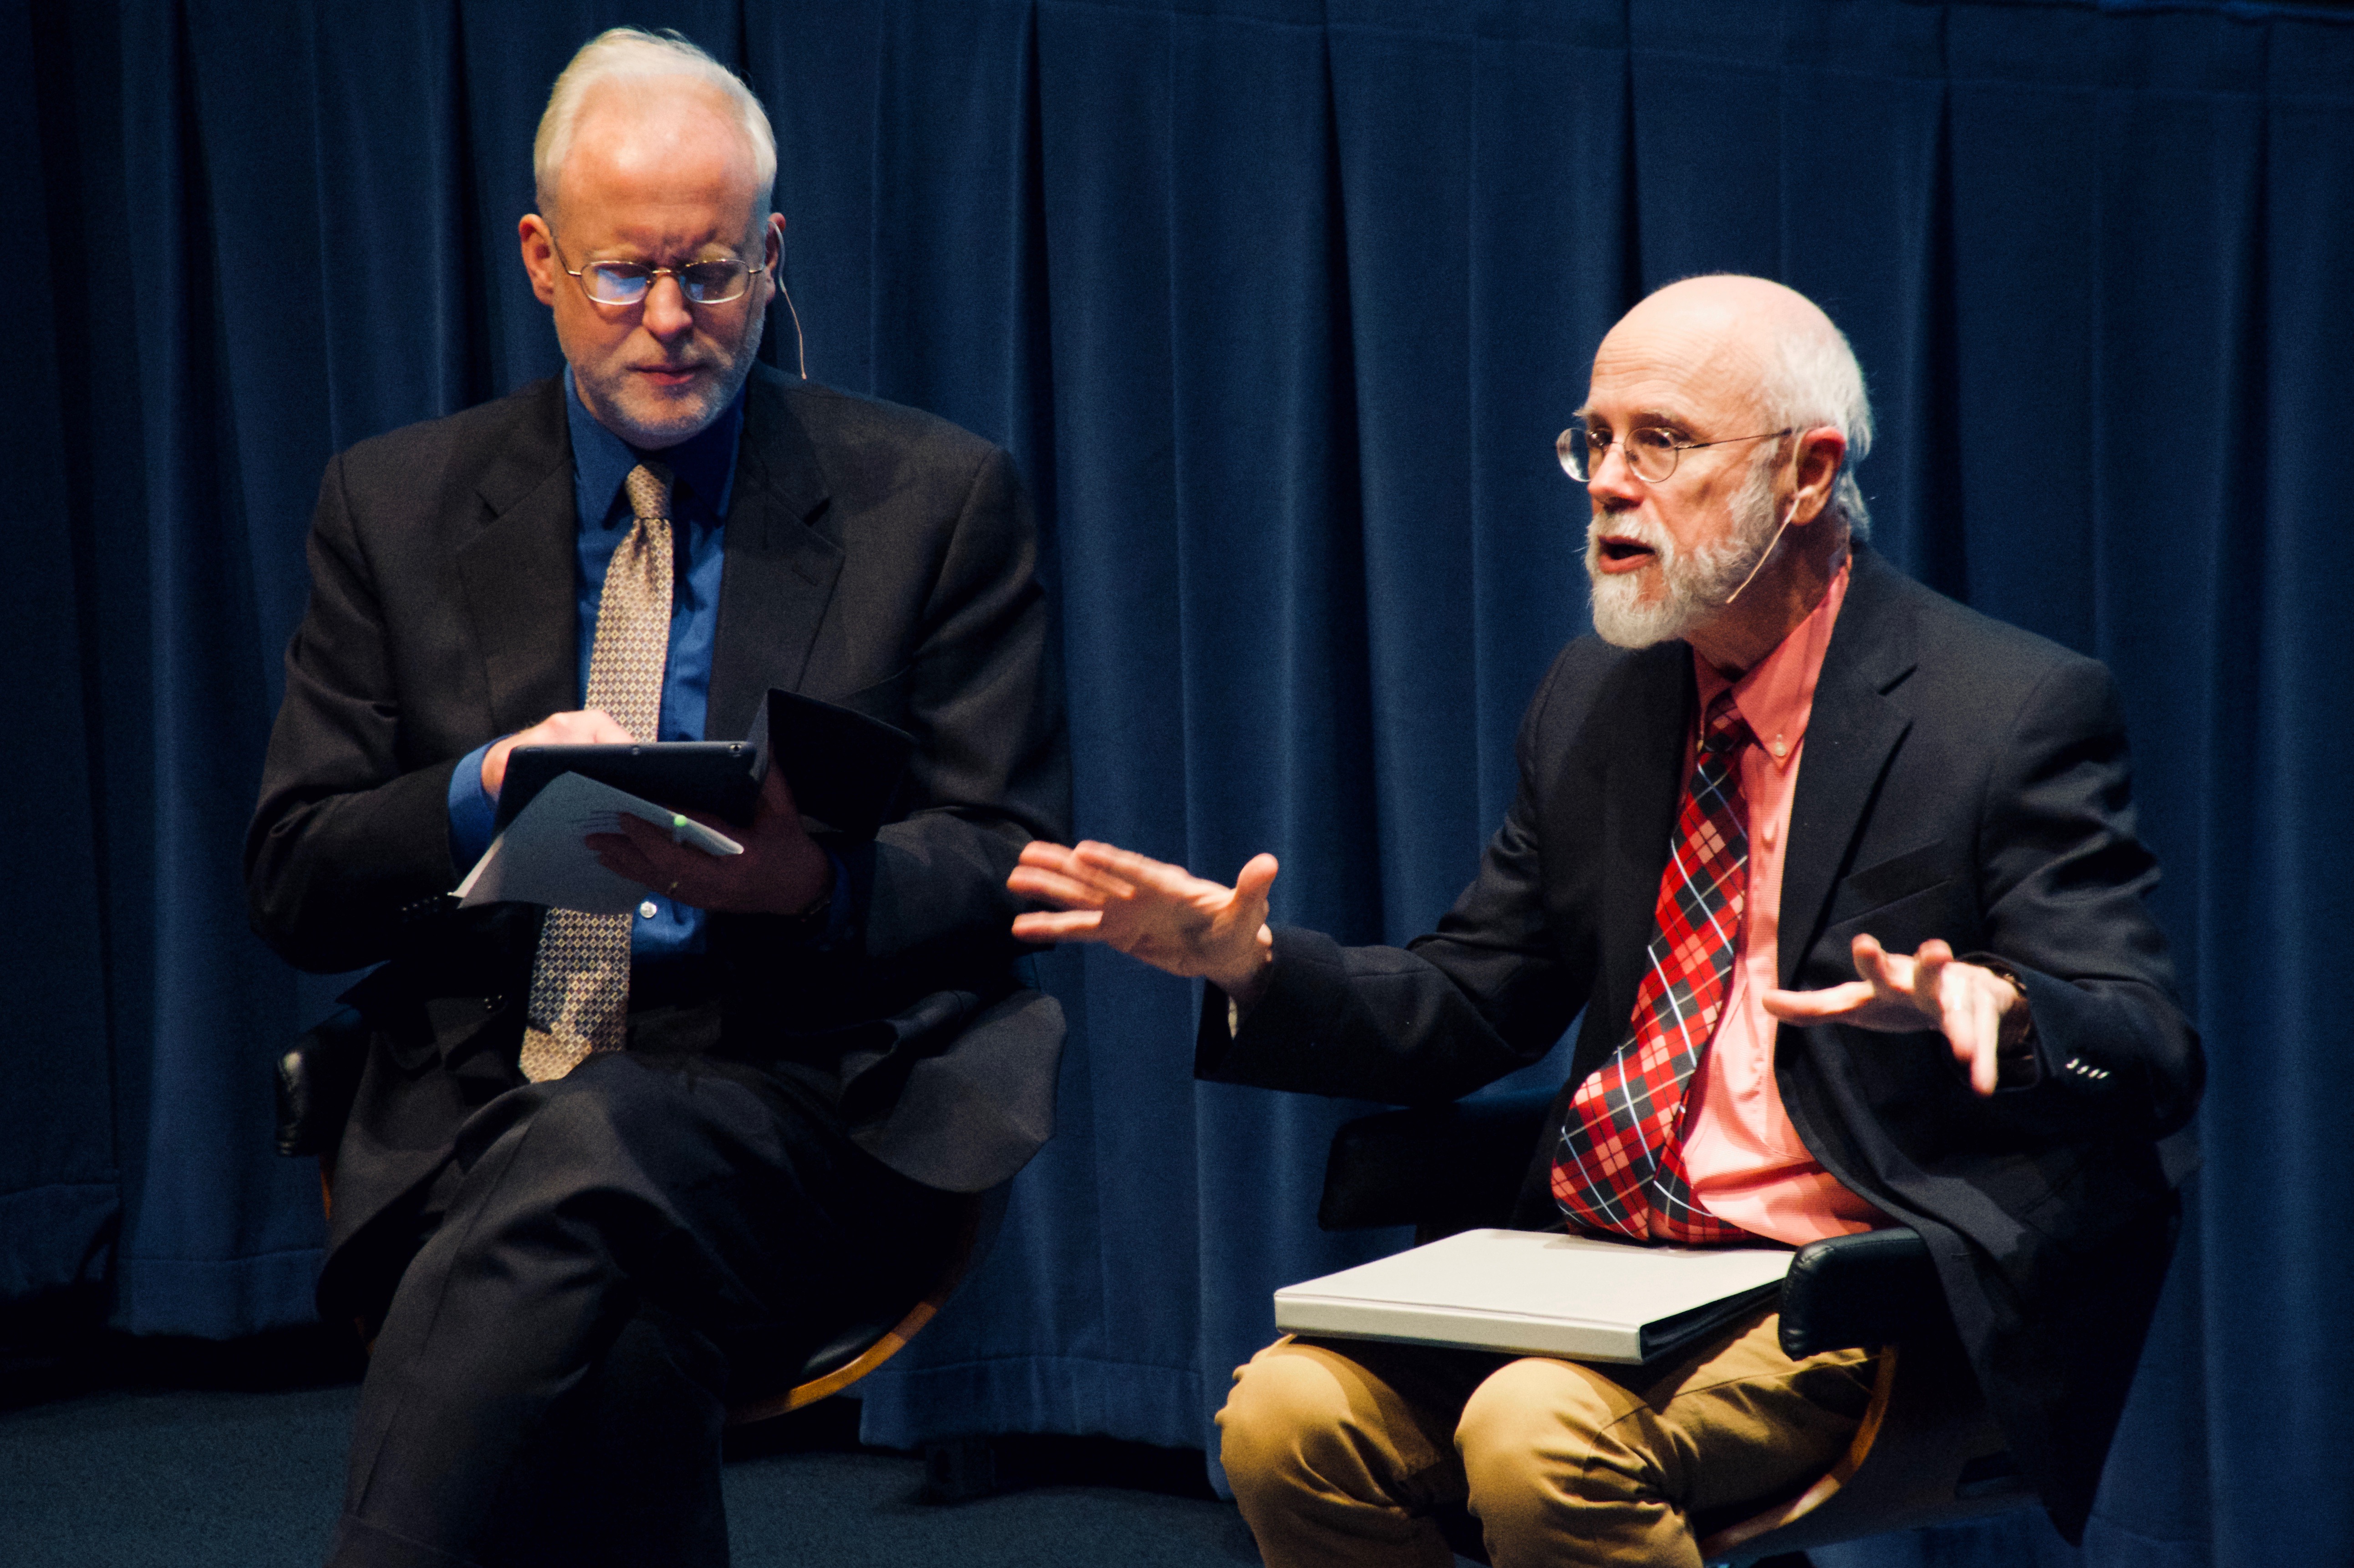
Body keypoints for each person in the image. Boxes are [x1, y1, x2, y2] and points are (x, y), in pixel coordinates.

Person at [1010, 275, 2199, 1567]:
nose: (1606, 480)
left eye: (1662, 443)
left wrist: (2012, 1014)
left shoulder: (2002, 709)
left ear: (1807, 476)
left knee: (1538, 1433)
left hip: (1846, 1289)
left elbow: (2146, 1047)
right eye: (1594, 439)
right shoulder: (1600, 693)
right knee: (1286, 1416)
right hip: (1598, 1265)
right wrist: (1246, 964)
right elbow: (1469, 1000)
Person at [244, 28, 1068, 1568]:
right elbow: (294, 880)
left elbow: (1008, 858)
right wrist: (485, 790)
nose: (674, 322)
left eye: (717, 274)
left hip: (802, 1105)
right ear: (543, 261)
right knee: (609, 1293)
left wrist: (812, 886)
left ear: (773, 254)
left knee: (591, 1150)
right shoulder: (396, 503)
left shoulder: (931, 500)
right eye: (626, 276)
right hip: (478, 1102)